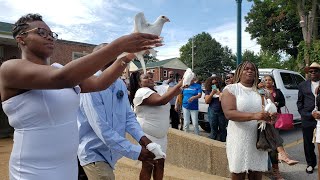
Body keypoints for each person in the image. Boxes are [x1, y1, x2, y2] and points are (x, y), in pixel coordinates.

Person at [0, 13, 162, 180]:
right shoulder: (10, 69)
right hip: (33, 171)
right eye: (41, 32)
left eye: (51, 34)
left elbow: (100, 83)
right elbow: (62, 78)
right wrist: (118, 46)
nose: (49, 37)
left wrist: (128, 56)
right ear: (21, 39)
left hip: (67, 167)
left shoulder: (58, 68)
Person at [77, 44, 156, 180]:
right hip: (93, 152)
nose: (122, 62)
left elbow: (128, 117)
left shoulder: (120, 84)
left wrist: (142, 138)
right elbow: (101, 128)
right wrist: (136, 152)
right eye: (116, 58)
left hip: (112, 153)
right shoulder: (90, 85)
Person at [221, 61, 276, 180]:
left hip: (258, 138)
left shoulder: (263, 92)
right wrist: (254, 116)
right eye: (246, 69)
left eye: (253, 69)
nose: (250, 71)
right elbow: (229, 113)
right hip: (239, 138)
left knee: (256, 173)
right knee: (238, 172)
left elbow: (271, 109)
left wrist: (272, 116)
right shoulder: (231, 89)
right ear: (239, 72)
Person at [129, 71, 182, 180]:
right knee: (148, 164)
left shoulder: (158, 89)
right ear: (139, 83)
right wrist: (180, 84)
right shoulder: (141, 92)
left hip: (161, 135)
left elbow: (176, 91)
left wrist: (184, 81)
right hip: (148, 135)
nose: (150, 78)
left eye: (150, 77)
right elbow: (161, 101)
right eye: (145, 78)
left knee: (160, 163)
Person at [262, 75, 299, 179]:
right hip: (261, 121)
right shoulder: (260, 91)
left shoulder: (277, 91)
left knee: (273, 144)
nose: (267, 81)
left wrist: (276, 103)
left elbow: (283, 102)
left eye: (269, 80)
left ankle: (277, 169)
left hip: (274, 118)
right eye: (265, 80)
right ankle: (282, 156)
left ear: (273, 82)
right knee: (269, 145)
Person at [297, 62, 320, 174]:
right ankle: (310, 163)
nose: (313, 73)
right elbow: (299, 104)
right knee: (308, 143)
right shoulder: (302, 85)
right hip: (308, 119)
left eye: (316, 71)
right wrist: (308, 114)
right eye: (311, 71)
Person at [204, 76, 227, 142]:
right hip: (212, 110)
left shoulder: (223, 89)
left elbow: (224, 100)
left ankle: (223, 141)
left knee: (223, 129)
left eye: (216, 83)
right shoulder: (208, 90)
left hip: (221, 111)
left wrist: (220, 93)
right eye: (212, 84)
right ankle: (213, 142)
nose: (214, 85)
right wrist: (212, 94)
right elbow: (207, 101)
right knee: (213, 128)